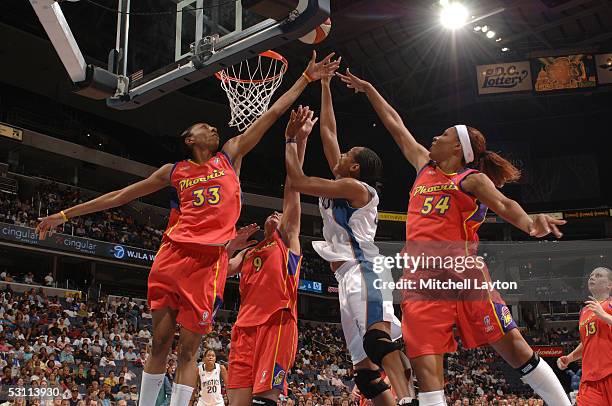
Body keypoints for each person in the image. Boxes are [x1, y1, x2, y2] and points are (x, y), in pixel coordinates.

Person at [36, 51, 339, 406]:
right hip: (172, 256)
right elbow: (121, 195)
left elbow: (270, 116)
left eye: (213, 127)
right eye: (204, 127)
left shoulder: (231, 155)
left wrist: (305, 78)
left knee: (189, 351)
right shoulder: (173, 171)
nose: (213, 128)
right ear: (190, 139)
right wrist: (66, 215)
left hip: (208, 265)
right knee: (161, 341)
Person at [337, 69, 570, 406]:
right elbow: (395, 125)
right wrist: (370, 88)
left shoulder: (470, 180)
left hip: (462, 274)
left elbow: (505, 203)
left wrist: (531, 223)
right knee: (426, 370)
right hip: (420, 279)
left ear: (458, 149)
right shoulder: (423, 166)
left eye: (443, 134)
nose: (435, 137)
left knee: (516, 349)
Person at [285, 102, 413, 404]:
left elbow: (299, 181)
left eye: (346, 155)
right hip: (346, 277)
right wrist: (327, 86)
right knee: (366, 376)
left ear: (355, 168)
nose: (339, 155)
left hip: (364, 270)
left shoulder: (358, 189)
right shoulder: (343, 184)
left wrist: (291, 140)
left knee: (377, 340)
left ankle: (411, 400)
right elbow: (329, 132)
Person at [225, 108, 308, 406]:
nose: (277, 214)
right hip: (244, 329)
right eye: (272, 214)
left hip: (276, 324)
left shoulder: (288, 243)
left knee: (264, 400)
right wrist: (231, 246)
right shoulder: (249, 252)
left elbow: (293, 186)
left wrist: (298, 141)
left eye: (280, 214)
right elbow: (219, 273)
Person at [558, 267, 612, 405]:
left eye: (598, 275)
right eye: (591, 275)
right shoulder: (585, 310)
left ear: (609, 285)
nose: (592, 277)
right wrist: (570, 358)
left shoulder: (608, 306)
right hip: (590, 380)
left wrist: (605, 316)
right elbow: (587, 342)